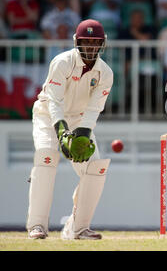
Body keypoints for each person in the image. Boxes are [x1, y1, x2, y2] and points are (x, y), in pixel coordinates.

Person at [26, 19, 114, 240]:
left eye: (95, 43)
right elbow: (54, 102)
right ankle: (37, 225)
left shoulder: (106, 73)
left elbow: (94, 108)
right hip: (48, 116)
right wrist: (62, 132)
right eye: (86, 42)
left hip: (80, 119)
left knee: (96, 168)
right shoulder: (62, 62)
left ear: (103, 44)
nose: (91, 48)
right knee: (46, 158)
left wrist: (83, 133)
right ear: (77, 42)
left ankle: (77, 228)